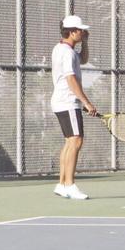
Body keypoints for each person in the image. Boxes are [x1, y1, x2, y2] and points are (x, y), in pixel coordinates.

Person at [51, 15, 96, 200]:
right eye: (79, 30)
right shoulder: (66, 52)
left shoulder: (63, 49)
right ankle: (70, 184)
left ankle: (62, 184)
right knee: (76, 140)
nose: (82, 32)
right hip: (67, 101)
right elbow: (71, 79)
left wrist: (85, 42)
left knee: (70, 141)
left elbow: (83, 60)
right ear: (70, 31)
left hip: (64, 102)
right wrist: (86, 102)